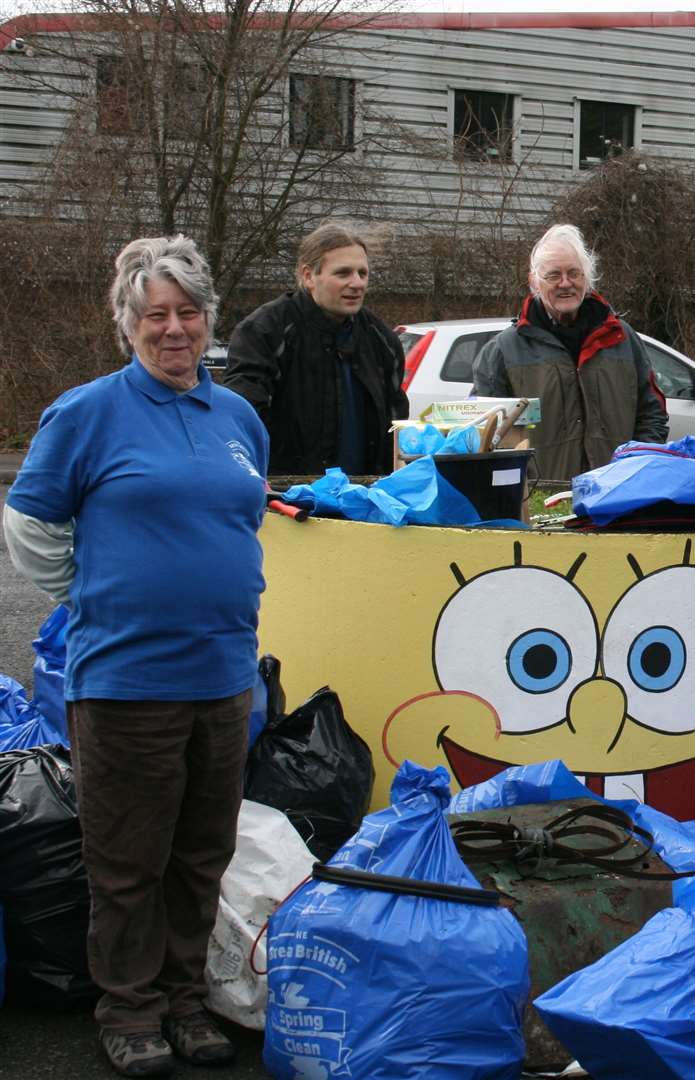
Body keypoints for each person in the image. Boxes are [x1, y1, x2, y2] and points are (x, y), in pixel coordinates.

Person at [4, 236, 269, 1076]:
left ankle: (186, 1003)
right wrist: (90, 591)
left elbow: (242, 516)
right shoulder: (87, 412)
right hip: (124, 681)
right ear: (127, 324)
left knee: (202, 856)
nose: (174, 329)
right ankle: (128, 1009)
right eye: (155, 314)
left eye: (188, 312)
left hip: (224, 675)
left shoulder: (238, 418)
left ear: (208, 320)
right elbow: (31, 525)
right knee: (127, 863)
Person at [473, 223, 668, 480]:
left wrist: (636, 466)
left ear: (586, 278)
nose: (565, 283)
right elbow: (487, 436)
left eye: (574, 273)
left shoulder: (621, 338)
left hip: (616, 493)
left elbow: (652, 412)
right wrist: (522, 488)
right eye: (554, 275)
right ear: (534, 281)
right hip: (540, 502)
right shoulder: (503, 351)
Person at [223, 221, 408, 476]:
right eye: (343, 273)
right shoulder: (264, 332)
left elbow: (396, 427)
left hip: (367, 500)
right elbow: (241, 421)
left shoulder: (382, 340)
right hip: (285, 501)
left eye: (362, 273)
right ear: (308, 276)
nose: (357, 283)